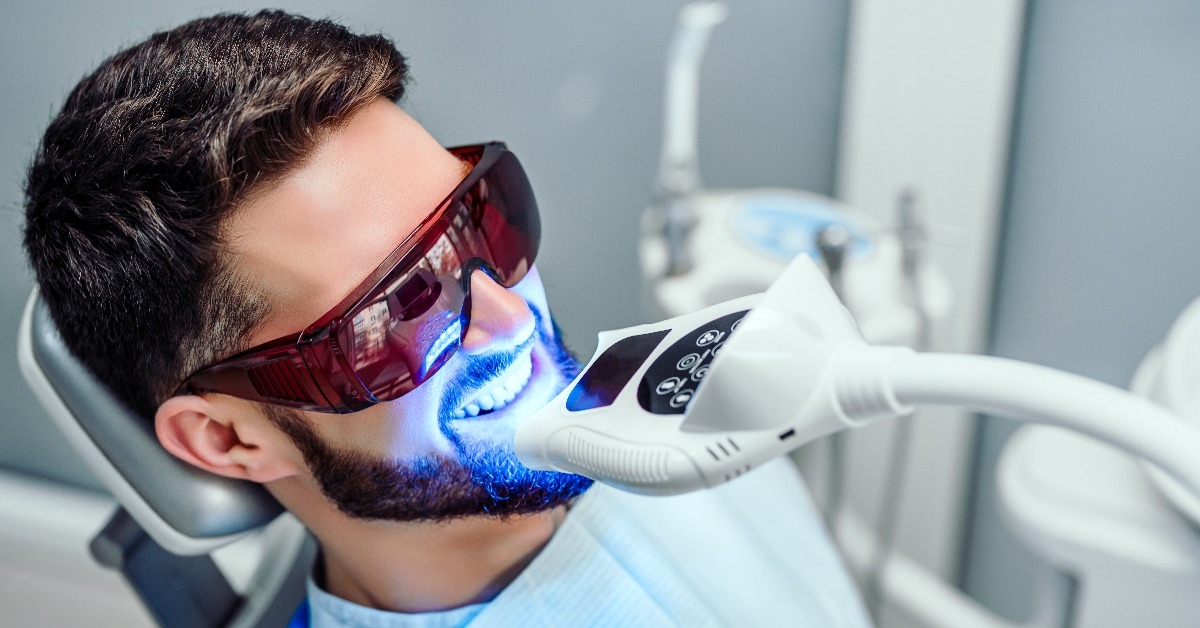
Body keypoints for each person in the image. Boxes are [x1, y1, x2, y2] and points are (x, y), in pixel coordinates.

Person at [23, 10, 870, 627]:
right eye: (397, 307)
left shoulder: (689, 398)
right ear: (228, 440)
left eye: (479, 221)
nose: (511, 318)